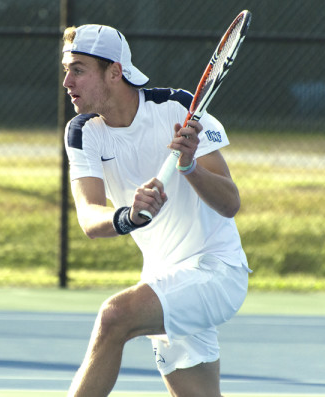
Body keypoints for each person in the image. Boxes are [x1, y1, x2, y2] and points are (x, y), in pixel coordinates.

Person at [62, 24, 251, 397]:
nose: (67, 81)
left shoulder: (178, 108)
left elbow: (230, 203)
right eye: (66, 69)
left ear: (114, 72)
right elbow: (89, 216)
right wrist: (127, 216)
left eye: (78, 69)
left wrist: (189, 166)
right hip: (164, 279)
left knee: (114, 317)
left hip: (216, 271)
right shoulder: (82, 132)